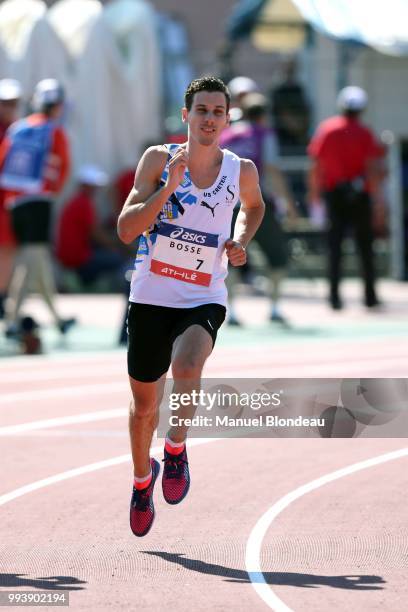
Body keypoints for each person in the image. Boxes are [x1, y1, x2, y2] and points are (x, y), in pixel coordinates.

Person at [117, 76, 264, 537]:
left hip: (203, 294)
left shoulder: (241, 170)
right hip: (151, 297)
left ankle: (176, 447)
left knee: (189, 361)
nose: (209, 119)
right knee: (144, 406)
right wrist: (168, 188)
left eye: (218, 112)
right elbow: (126, 228)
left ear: (227, 117)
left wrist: (240, 240)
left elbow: (253, 207)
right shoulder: (159, 160)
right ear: (186, 115)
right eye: (201, 110)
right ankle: (144, 480)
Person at [0, 78, 76, 337]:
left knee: (39, 259)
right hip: (38, 201)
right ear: (57, 106)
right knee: (30, 260)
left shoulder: (17, 128)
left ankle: (56, 318)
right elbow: (63, 168)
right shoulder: (54, 131)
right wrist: (49, 192)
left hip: (14, 203)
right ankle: (11, 318)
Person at [220, 92, 297, 325]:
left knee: (228, 258)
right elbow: (272, 170)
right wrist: (290, 206)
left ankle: (230, 310)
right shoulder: (264, 135)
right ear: (264, 115)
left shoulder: (227, 135)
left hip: (226, 205)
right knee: (277, 256)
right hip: (255, 204)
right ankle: (274, 307)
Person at [307, 86, 386, 310]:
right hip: (361, 196)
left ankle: (334, 298)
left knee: (334, 248)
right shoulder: (365, 132)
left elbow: (317, 165)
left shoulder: (327, 129)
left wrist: (314, 195)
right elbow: (372, 168)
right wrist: (379, 199)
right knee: (365, 247)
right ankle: (370, 297)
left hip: (334, 195)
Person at [56, 164, 126, 289]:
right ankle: (87, 283)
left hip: (72, 255)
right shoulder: (84, 203)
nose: (96, 189)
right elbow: (96, 234)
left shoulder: (78, 201)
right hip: (78, 257)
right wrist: (119, 245)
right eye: (93, 186)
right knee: (118, 258)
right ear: (84, 186)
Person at [0, 78, 22, 319]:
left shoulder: (17, 130)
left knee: (6, 251)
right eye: (5, 102)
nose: (9, 107)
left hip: (7, 203)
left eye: (13, 103)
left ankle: (3, 301)